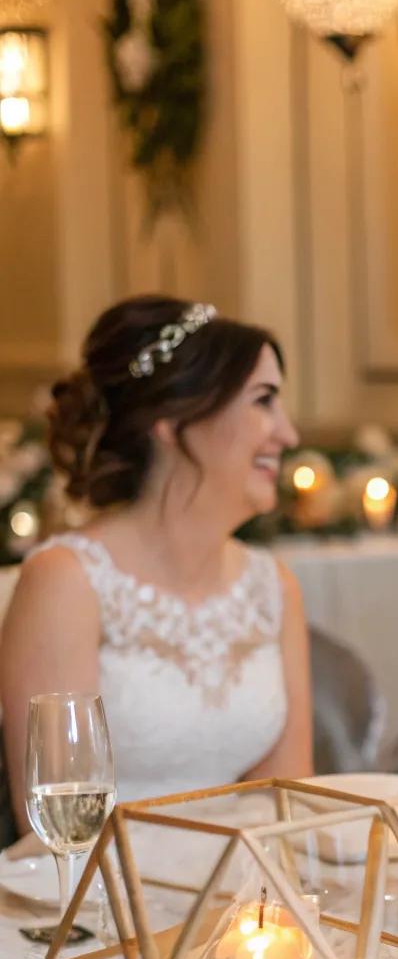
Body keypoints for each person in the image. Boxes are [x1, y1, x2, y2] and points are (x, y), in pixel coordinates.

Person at [0, 295, 313, 830]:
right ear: (173, 419)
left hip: (241, 902)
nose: (289, 434)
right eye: (263, 401)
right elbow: (59, 830)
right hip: (101, 901)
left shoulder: (272, 586)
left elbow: (289, 810)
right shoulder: (67, 581)